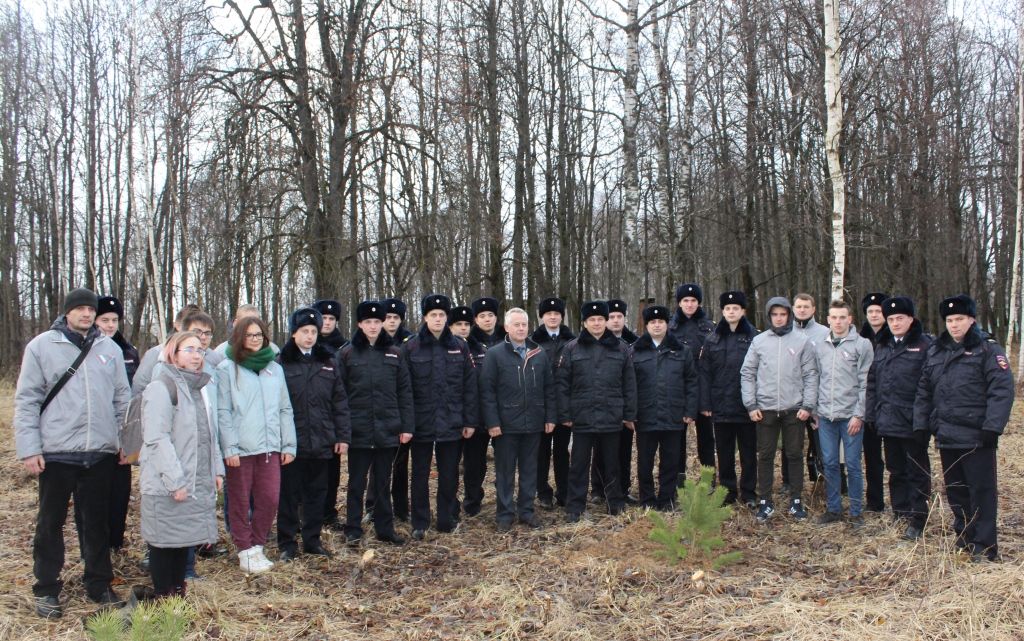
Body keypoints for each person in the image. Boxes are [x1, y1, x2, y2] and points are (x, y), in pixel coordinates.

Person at [14, 288, 131, 617]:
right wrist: (29, 448)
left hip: (100, 451)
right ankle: (46, 587)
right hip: (57, 450)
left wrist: (125, 441)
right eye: (79, 309)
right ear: (66, 312)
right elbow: (27, 401)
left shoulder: (108, 347)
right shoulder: (42, 346)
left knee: (96, 523)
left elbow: (122, 398)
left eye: (90, 309)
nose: (86, 314)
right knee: (50, 522)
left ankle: (98, 583)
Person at [914, 295, 1014, 562]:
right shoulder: (937, 350)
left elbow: (1001, 390)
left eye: (959, 319)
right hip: (946, 435)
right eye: (949, 320)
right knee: (956, 490)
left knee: (981, 491)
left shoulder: (987, 350)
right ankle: (965, 539)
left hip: (977, 435)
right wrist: (921, 424)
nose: (954, 325)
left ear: (971, 320)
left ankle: (984, 546)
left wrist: (993, 427)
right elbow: (925, 389)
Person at [139, 331, 223, 598]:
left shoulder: (199, 388)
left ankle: (178, 596)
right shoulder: (161, 387)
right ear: (173, 354)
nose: (197, 355)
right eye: (189, 350)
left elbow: (210, 435)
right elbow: (156, 439)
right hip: (168, 484)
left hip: (193, 481)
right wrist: (176, 480)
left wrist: (216, 470)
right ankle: (164, 599)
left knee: (181, 543)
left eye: (200, 350)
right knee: (164, 544)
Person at [217, 316, 296, 573]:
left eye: (259, 335)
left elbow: (285, 408)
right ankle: (244, 548)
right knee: (239, 500)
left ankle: (258, 544)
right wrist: (229, 448)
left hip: (270, 448)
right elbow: (223, 412)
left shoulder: (274, 368)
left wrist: (288, 445)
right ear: (240, 337)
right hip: (241, 449)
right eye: (249, 335)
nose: (254, 339)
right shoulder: (227, 369)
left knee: (269, 498)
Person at [276, 308, 351, 561]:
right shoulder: (280, 363)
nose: (309, 336)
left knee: (317, 494)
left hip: (322, 440)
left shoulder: (328, 362)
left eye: (313, 332)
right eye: (304, 331)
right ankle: (287, 542)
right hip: (291, 442)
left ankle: (312, 539)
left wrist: (342, 437)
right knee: (288, 495)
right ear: (294, 333)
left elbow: (339, 402)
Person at [402, 294, 478, 540]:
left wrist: (469, 421)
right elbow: (404, 390)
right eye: (433, 315)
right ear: (425, 317)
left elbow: (469, 386)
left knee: (449, 473)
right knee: (420, 473)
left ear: (447, 318)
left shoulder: (459, 346)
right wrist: (407, 424)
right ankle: (420, 522)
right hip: (421, 422)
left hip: (452, 421)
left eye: (442, 315)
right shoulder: (410, 347)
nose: (437, 319)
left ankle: (447, 518)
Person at [339, 301, 414, 546]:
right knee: (356, 483)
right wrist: (343, 430)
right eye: (367, 322)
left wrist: (406, 426)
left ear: (383, 323)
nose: (373, 326)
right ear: (359, 324)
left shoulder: (395, 353)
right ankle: (352, 529)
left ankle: (385, 529)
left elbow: (404, 392)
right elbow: (339, 395)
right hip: (358, 430)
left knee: (383, 482)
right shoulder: (347, 353)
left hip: (387, 429)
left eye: (377, 322)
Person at [558, 301, 638, 522]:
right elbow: (563, 384)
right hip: (581, 417)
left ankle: (616, 503)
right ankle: (575, 507)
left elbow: (629, 384)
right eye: (591, 320)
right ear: (584, 323)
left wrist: (629, 414)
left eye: (600, 319)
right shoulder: (572, 348)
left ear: (606, 321)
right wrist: (564, 414)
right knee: (579, 465)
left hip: (612, 416)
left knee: (612, 463)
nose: (596, 323)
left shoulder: (621, 348)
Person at [740, 296, 817, 524]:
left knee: (794, 454)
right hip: (766, 409)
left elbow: (811, 375)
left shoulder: (802, 340)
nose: (779, 318)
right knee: (765, 455)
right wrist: (751, 405)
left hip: (794, 409)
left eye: (783, 314)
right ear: (769, 316)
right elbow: (747, 373)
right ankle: (765, 500)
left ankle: (796, 500)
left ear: (789, 315)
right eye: (775, 314)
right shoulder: (760, 341)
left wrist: (808, 406)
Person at [479, 308, 556, 532]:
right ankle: (504, 514)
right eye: (516, 325)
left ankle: (526, 512)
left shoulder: (538, 353)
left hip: (533, 423)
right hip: (505, 426)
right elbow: (487, 391)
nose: (521, 328)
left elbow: (549, 388)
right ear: (507, 328)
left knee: (530, 470)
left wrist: (550, 416)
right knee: (505, 472)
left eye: (524, 325)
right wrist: (492, 422)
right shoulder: (494, 354)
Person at [73, 295, 139, 555]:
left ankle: (114, 545)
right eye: (104, 320)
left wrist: (130, 439)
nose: (110, 325)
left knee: (119, 494)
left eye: (114, 320)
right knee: (90, 498)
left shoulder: (129, 351)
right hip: (92, 435)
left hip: (122, 431)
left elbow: (132, 395)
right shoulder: (81, 349)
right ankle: (90, 548)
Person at [865, 296, 933, 541]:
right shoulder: (882, 346)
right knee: (895, 470)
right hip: (887, 420)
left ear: (910, 319)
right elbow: (873, 382)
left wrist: (922, 420)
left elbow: (929, 387)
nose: (895, 323)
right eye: (891, 319)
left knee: (916, 471)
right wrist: (872, 413)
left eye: (900, 319)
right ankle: (900, 512)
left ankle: (918, 518)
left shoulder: (925, 346)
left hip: (913, 423)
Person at [808, 300, 874, 529]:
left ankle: (856, 512)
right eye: (834, 317)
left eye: (842, 317)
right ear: (827, 319)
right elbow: (814, 378)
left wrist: (859, 415)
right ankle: (834, 509)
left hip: (850, 416)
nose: (838, 322)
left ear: (850, 319)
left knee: (853, 464)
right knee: (830, 463)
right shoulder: (819, 344)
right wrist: (814, 411)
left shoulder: (862, 345)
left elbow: (866, 383)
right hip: (826, 416)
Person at [630, 305, 698, 509]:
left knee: (670, 462)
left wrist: (689, 410)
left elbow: (691, 381)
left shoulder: (682, 350)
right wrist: (631, 414)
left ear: (667, 325)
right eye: (652, 322)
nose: (657, 325)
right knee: (645, 462)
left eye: (661, 322)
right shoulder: (635, 351)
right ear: (646, 325)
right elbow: (629, 385)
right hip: (645, 415)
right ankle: (647, 499)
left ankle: (667, 498)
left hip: (674, 415)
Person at [699, 291, 759, 508]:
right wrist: (705, 403)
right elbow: (705, 373)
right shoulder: (712, 339)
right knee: (724, 453)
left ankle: (749, 493)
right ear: (722, 312)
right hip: (720, 405)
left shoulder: (755, 338)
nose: (731, 312)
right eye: (727, 309)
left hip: (747, 407)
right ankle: (728, 491)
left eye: (735, 308)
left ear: (743, 311)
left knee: (748, 452)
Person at [369, 296, 415, 521]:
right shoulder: (371, 341)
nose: (392, 322)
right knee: (376, 466)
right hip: (377, 414)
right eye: (387, 317)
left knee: (400, 464)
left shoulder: (409, 341)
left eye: (396, 317)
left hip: (400, 412)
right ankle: (373, 506)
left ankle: (401, 508)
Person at [592, 298, 639, 505]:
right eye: (612, 317)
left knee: (624, 450)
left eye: (620, 317)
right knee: (600, 450)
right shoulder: (595, 342)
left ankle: (622, 488)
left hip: (624, 406)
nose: (616, 321)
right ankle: (598, 489)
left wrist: (630, 410)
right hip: (601, 406)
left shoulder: (635, 343)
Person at [668, 284, 716, 484]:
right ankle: (679, 480)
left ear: (699, 303)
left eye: (693, 301)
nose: (689, 304)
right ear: (679, 303)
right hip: (679, 390)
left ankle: (708, 481)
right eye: (685, 301)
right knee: (677, 439)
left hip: (704, 389)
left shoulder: (709, 327)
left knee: (706, 439)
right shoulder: (670, 327)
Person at [532, 297, 576, 509]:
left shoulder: (572, 341)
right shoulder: (533, 341)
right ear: (542, 317)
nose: (552, 317)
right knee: (541, 452)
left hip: (565, 405)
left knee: (562, 451)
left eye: (556, 313)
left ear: (562, 316)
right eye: (548, 314)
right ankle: (543, 492)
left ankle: (564, 491)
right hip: (540, 406)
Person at [461, 299, 501, 519]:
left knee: (504, 461)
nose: (487, 320)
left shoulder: (507, 338)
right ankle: (472, 501)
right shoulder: (467, 342)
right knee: (474, 462)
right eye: (482, 316)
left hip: (502, 412)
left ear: (496, 317)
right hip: (475, 413)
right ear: (475, 320)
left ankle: (504, 499)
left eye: (490, 315)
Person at [787, 293, 831, 494]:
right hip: (792, 400)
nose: (802, 310)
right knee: (791, 444)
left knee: (819, 444)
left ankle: (821, 482)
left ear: (813, 309)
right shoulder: (785, 332)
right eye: (798, 306)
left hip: (817, 400)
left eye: (806, 306)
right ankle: (789, 482)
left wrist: (816, 404)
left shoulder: (824, 333)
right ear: (793, 309)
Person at [312, 299, 349, 531]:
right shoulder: (303, 344)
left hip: (333, 416)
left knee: (332, 470)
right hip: (308, 416)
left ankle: (329, 511)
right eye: (323, 318)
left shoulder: (344, 347)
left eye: (331, 319)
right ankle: (306, 512)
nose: (327, 323)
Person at [449, 305, 488, 521]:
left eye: (466, 325)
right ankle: (451, 505)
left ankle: (473, 502)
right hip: (452, 419)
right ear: (450, 326)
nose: (463, 329)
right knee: (451, 466)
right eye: (458, 325)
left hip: (477, 419)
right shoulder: (445, 350)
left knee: (475, 465)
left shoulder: (482, 351)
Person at [134, 305, 224, 395]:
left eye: (207, 333)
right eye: (197, 331)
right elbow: (140, 388)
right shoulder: (158, 355)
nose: (203, 337)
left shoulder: (214, 358)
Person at [858, 292, 889, 513]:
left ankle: (905, 505)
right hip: (868, 405)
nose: (874, 315)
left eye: (878, 311)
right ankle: (875, 501)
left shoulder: (894, 336)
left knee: (898, 460)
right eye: (870, 311)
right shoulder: (860, 339)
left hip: (891, 405)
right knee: (872, 458)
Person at [214, 304, 280, 357]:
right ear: (235, 323)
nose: (251, 324)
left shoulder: (273, 350)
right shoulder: (220, 353)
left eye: (255, 321)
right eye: (245, 321)